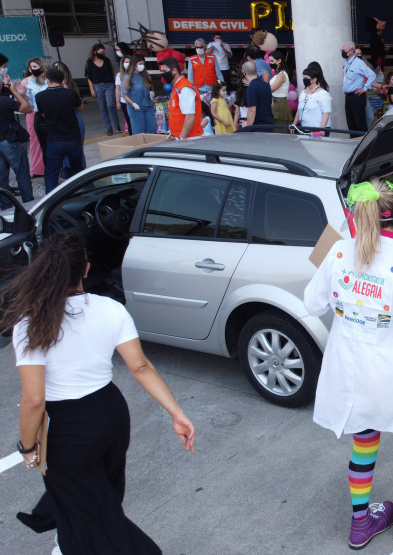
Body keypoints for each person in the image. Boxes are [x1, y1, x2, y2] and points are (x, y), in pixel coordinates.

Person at [2, 232, 195, 555]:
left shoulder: (30, 324)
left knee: (95, 511)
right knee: (101, 494)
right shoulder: (110, 308)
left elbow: (33, 399)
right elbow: (141, 367)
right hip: (111, 413)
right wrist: (177, 413)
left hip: (67, 428)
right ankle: (68, 541)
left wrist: (28, 446)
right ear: (86, 269)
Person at [303, 178, 393, 549]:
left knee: (364, 440)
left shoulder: (336, 253)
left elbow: (311, 304)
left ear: (355, 214)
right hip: (387, 370)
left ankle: (361, 523)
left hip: (344, 369)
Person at [35, 68, 84, 194]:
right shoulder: (70, 93)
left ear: (47, 80)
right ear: (63, 80)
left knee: (51, 174)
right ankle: (81, 194)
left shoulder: (40, 96)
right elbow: (81, 108)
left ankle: (50, 201)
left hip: (54, 139)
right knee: (78, 171)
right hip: (73, 138)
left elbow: (43, 114)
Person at [0, 52, 34, 208]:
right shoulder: (5, 102)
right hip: (10, 140)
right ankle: (29, 204)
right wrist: (13, 91)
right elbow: (27, 108)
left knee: (1, 178)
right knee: (22, 174)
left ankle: (6, 207)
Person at [52, 61, 87, 180]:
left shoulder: (71, 87)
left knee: (76, 148)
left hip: (73, 118)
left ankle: (78, 171)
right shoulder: (50, 89)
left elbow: (79, 106)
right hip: (61, 119)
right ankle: (67, 170)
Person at [159, 57, 204, 140]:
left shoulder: (184, 88)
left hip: (189, 138)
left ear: (174, 71)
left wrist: (181, 138)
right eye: (161, 72)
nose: (163, 74)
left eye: (164, 71)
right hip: (183, 136)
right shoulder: (178, 86)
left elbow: (190, 117)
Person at [342, 40, 378, 134]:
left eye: (344, 50)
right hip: (348, 96)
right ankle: (353, 144)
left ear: (351, 51)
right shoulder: (347, 63)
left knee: (359, 123)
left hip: (357, 96)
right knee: (351, 123)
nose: (342, 52)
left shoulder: (359, 63)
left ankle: (361, 144)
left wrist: (365, 88)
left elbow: (372, 75)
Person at [85, 43, 121, 136]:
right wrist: (92, 89)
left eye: (103, 52)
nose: (102, 54)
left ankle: (117, 126)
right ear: (95, 52)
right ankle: (109, 127)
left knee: (110, 105)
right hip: (97, 85)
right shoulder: (89, 62)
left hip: (108, 84)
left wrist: (112, 82)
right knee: (102, 107)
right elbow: (89, 77)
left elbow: (112, 70)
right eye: (100, 52)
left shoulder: (106, 60)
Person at [24, 57, 49, 177]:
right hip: (35, 113)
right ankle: (35, 169)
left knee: (52, 141)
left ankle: (54, 167)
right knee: (35, 142)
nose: (31, 69)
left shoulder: (49, 80)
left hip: (50, 113)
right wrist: (21, 94)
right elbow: (28, 101)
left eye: (34, 67)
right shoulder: (28, 82)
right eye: (30, 67)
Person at [122, 55, 157, 135]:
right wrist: (133, 104)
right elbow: (124, 94)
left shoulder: (146, 75)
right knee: (139, 130)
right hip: (136, 107)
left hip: (148, 105)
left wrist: (151, 93)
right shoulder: (127, 77)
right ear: (134, 64)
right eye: (140, 63)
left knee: (152, 128)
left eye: (143, 64)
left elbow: (150, 88)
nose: (142, 66)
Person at [293, 66, 332, 132]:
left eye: (306, 78)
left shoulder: (323, 94)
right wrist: (294, 124)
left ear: (314, 80)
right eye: (304, 77)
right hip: (304, 128)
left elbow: (326, 112)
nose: (304, 80)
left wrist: (322, 129)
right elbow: (299, 110)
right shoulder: (303, 92)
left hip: (317, 129)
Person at [241, 61, 274, 129]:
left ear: (244, 72)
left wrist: (248, 128)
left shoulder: (251, 87)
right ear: (256, 70)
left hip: (258, 126)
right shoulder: (265, 85)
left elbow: (252, 110)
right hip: (269, 123)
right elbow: (272, 104)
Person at [268, 51, 292, 132]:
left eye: (272, 61)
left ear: (279, 61)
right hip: (276, 103)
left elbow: (272, 89)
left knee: (279, 130)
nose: (270, 63)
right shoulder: (278, 74)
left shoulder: (281, 75)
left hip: (279, 104)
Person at [114, 43, 134, 136]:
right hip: (124, 101)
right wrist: (118, 102)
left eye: (129, 62)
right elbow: (118, 89)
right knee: (129, 120)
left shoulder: (135, 75)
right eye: (125, 62)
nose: (127, 64)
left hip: (135, 100)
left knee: (136, 120)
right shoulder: (119, 75)